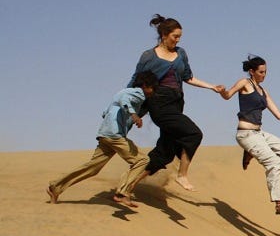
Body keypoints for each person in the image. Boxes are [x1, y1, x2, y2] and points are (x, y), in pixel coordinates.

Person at [127, 14, 224, 192]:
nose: (177, 40)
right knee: (193, 134)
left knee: (165, 152)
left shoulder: (181, 54)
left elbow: (188, 77)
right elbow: (135, 81)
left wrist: (212, 87)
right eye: (175, 36)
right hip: (159, 103)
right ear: (164, 35)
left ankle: (127, 185)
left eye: (180, 37)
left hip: (176, 103)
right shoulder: (148, 56)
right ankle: (182, 175)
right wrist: (128, 108)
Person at [47, 72, 158, 208]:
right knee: (142, 160)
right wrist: (134, 115)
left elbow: (105, 112)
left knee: (93, 168)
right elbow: (124, 100)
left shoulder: (122, 92)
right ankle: (122, 193)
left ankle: (56, 187)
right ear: (145, 85)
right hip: (114, 135)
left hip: (105, 133)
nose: (152, 92)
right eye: (153, 88)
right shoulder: (138, 93)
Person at [219, 55, 280, 215]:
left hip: (258, 133)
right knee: (274, 162)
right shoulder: (244, 83)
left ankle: (250, 152)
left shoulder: (263, 91)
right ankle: (279, 204)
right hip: (246, 134)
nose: (264, 75)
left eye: (265, 72)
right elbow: (228, 95)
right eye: (261, 72)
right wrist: (222, 91)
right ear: (252, 71)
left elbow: (279, 115)